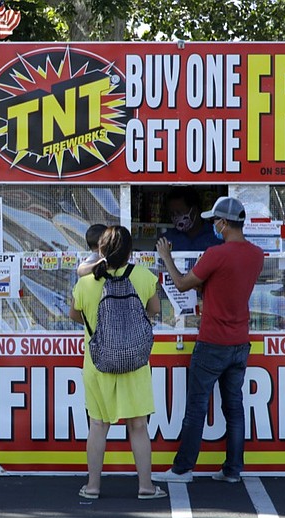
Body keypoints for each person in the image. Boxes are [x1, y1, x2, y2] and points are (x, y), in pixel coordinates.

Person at [153, 196, 264, 483]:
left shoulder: (216, 254)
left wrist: (166, 257)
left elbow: (181, 284)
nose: (213, 226)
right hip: (240, 341)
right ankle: (232, 470)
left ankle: (182, 469)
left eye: (215, 221)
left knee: (196, 408)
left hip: (213, 341)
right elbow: (228, 285)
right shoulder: (256, 254)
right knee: (234, 408)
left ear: (224, 224)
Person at [69, 225, 166, 500]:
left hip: (98, 363)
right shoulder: (143, 276)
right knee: (138, 426)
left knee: (98, 426)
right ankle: (146, 487)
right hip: (135, 363)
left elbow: (74, 315)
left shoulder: (86, 283)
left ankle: (93, 487)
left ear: (100, 250)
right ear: (129, 252)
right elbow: (155, 310)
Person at [159, 187, 221, 252]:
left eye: (179, 212)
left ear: (194, 210)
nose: (175, 217)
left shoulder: (217, 235)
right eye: (172, 213)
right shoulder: (166, 239)